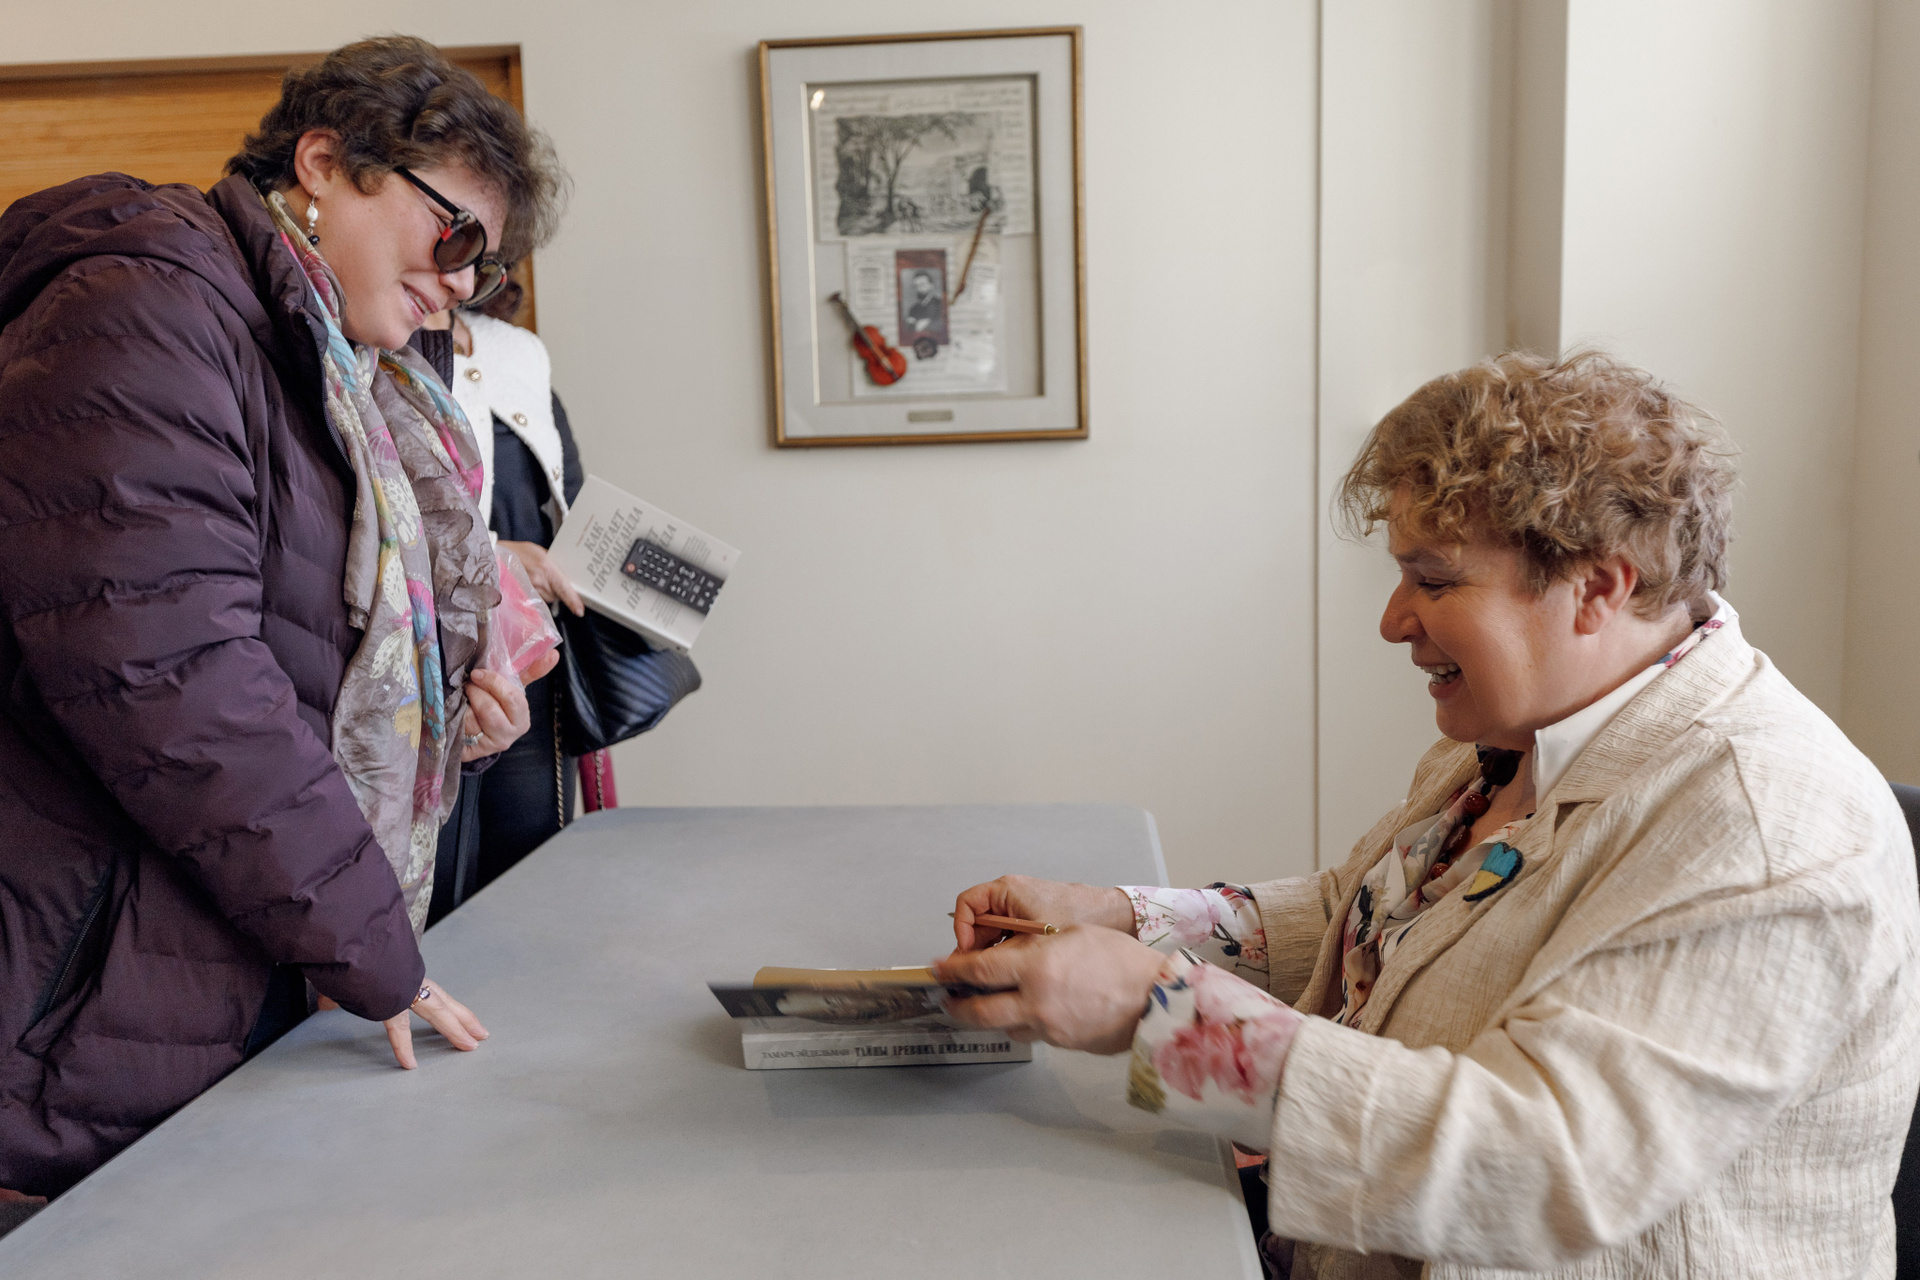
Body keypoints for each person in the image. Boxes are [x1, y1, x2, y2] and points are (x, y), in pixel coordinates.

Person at [936, 351, 1920, 1278]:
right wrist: (1126, 918)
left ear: (1597, 587)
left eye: (1435, 580)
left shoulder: (1769, 831)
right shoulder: (1521, 728)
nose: (1393, 619)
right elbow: (1381, 914)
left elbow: (1544, 1165)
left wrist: (1160, 1015)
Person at [0, 35, 564, 1200]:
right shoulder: (143, 308)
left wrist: (445, 716)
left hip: (207, 964)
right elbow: (177, 683)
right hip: (68, 999)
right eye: (454, 235)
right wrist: (369, 942)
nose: (464, 282)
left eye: (486, 264)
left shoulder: (334, 368)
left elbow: (307, 665)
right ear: (323, 163)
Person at [419, 282, 590, 922]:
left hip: (530, 658)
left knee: (532, 868)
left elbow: (566, 495)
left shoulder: (516, 350)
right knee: (439, 882)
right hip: (439, 656)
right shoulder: (380, 336)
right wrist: (497, 555)